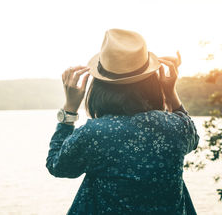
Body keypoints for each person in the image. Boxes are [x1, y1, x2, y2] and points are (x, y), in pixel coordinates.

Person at [46, 29, 199, 214]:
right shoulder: (175, 128)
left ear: (100, 85)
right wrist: (170, 92)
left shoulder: (95, 133)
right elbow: (192, 137)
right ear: (151, 81)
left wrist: (69, 108)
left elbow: (58, 166)